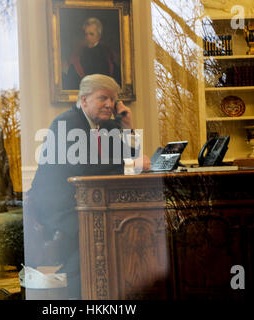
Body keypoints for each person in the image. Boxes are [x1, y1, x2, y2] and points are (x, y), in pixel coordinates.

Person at [25, 74, 150, 299]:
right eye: (103, 98)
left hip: (86, 204)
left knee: (118, 234)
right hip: (57, 208)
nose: (109, 105)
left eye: (112, 100)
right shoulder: (66, 123)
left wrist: (127, 127)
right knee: (97, 241)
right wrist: (133, 164)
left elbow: (129, 159)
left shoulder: (108, 126)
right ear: (83, 100)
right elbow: (86, 168)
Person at [63, 17, 121, 90]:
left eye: (91, 34)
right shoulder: (80, 52)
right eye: (86, 34)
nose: (88, 37)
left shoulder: (106, 52)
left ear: (98, 36)